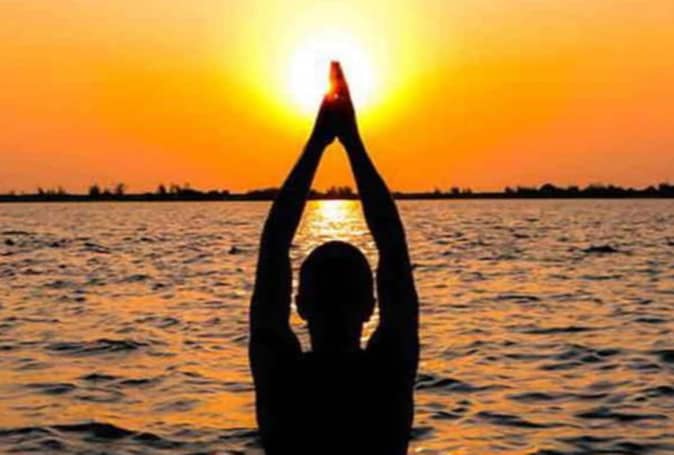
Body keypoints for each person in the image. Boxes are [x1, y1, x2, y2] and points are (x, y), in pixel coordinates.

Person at [249, 62, 419, 455]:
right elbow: (393, 249)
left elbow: (273, 248)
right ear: (370, 306)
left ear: (300, 304)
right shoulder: (387, 376)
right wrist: (353, 144)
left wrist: (317, 144)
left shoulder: (281, 379)